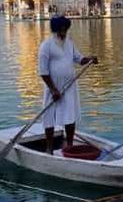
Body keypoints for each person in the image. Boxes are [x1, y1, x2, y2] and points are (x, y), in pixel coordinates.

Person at [38, 16, 98, 154]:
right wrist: (53, 90)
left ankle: (69, 145)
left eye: (65, 30)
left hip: (69, 86)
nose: (63, 33)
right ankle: (49, 148)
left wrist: (90, 59)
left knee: (70, 114)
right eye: (61, 30)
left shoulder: (69, 43)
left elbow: (79, 59)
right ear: (55, 30)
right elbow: (43, 71)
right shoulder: (46, 46)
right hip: (53, 88)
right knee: (49, 116)